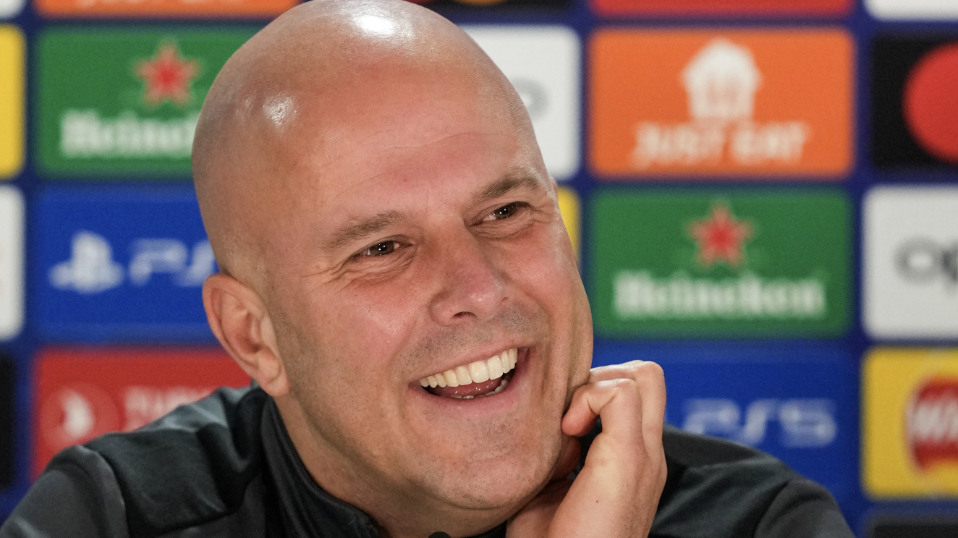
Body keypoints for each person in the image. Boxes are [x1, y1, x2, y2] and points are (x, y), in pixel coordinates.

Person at [0, 1, 855, 537]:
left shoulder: (757, 524)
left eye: (505, 212)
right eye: (382, 250)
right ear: (255, 338)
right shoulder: (112, 519)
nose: (479, 287)